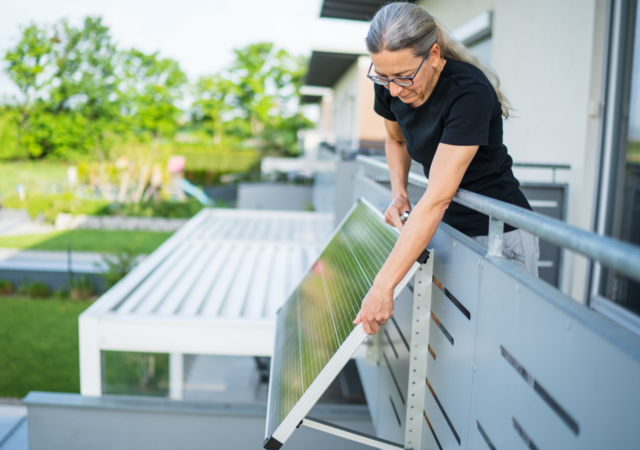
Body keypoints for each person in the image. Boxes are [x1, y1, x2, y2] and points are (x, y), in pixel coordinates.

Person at [353, 3, 539, 335]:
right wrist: (399, 195)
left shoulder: (469, 92)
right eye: (383, 77)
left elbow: (438, 197)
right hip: (446, 227)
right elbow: (395, 141)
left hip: (499, 234)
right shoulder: (389, 82)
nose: (393, 89)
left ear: (435, 54)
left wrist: (383, 285)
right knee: (456, 345)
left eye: (404, 77)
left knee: (506, 348)